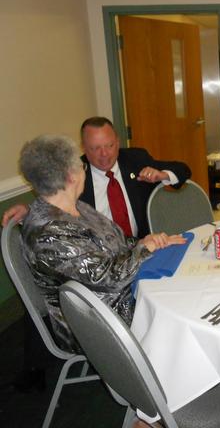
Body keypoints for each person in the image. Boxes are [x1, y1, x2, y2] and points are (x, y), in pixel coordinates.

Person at [18, 134, 186, 352]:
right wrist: (145, 249)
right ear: (71, 177)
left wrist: (145, 241)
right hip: (96, 320)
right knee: (178, 308)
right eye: (82, 166)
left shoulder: (75, 207)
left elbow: (116, 241)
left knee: (182, 284)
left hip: (118, 294)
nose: (84, 171)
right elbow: (107, 277)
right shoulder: (50, 233)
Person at [2, 117, 191, 237]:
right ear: (84, 147)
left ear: (117, 142)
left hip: (145, 245)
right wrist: (28, 210)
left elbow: (183, 169)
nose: (104, 154)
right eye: (95, 148)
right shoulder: (75, 174)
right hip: (103, 256)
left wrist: (162, 175)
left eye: (109, 146)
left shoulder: (136, 159)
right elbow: (54, 201)